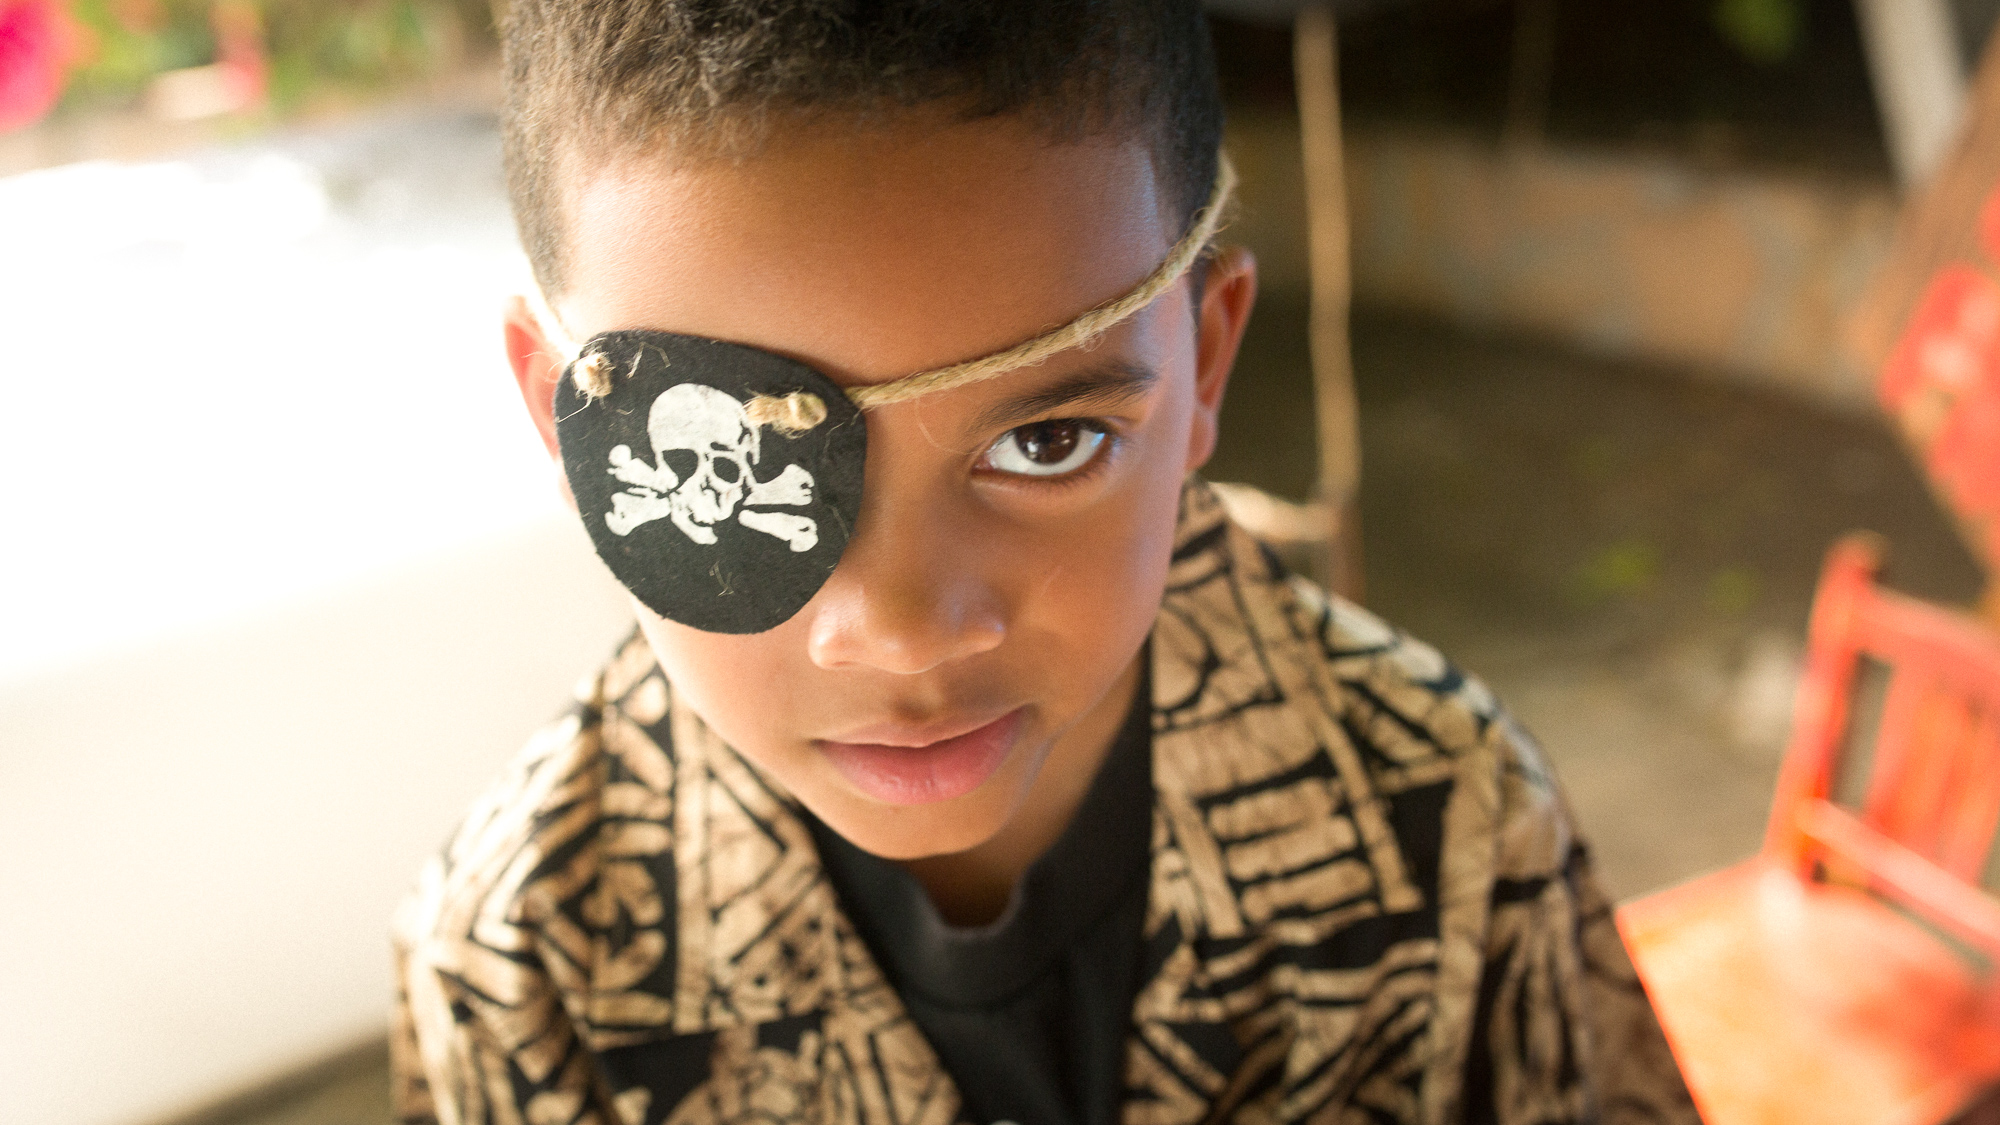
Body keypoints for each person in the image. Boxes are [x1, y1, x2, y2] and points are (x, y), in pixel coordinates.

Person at [390, 3, 1697, 1123]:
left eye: (1050, 439)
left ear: (1205, 365)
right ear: (558, 418)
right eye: (750, 461)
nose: (905, 628)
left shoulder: (1453, 827)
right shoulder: (518, 969)